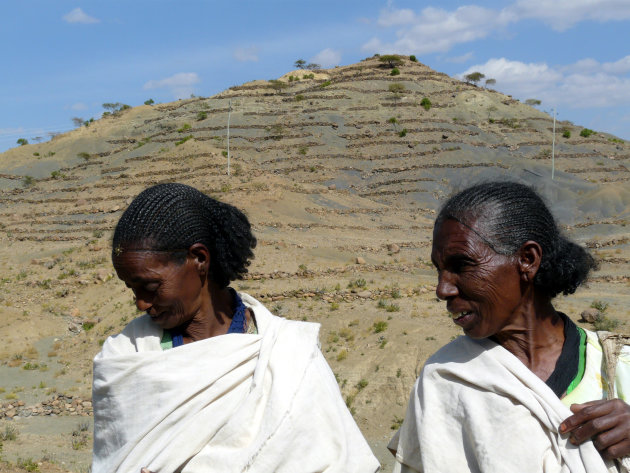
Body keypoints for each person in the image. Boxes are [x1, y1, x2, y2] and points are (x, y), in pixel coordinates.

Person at [92, 183, 379, 473]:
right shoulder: (125, 359)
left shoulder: (291, 355)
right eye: (131, 288)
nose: (141, 303)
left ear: (199, 259)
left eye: (151, 286)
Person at [389, 181, 630, 472]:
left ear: (527, 260)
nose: (443, 289)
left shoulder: (616, 365)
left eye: (461, 265)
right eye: (439, 270)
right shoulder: (446, 380)